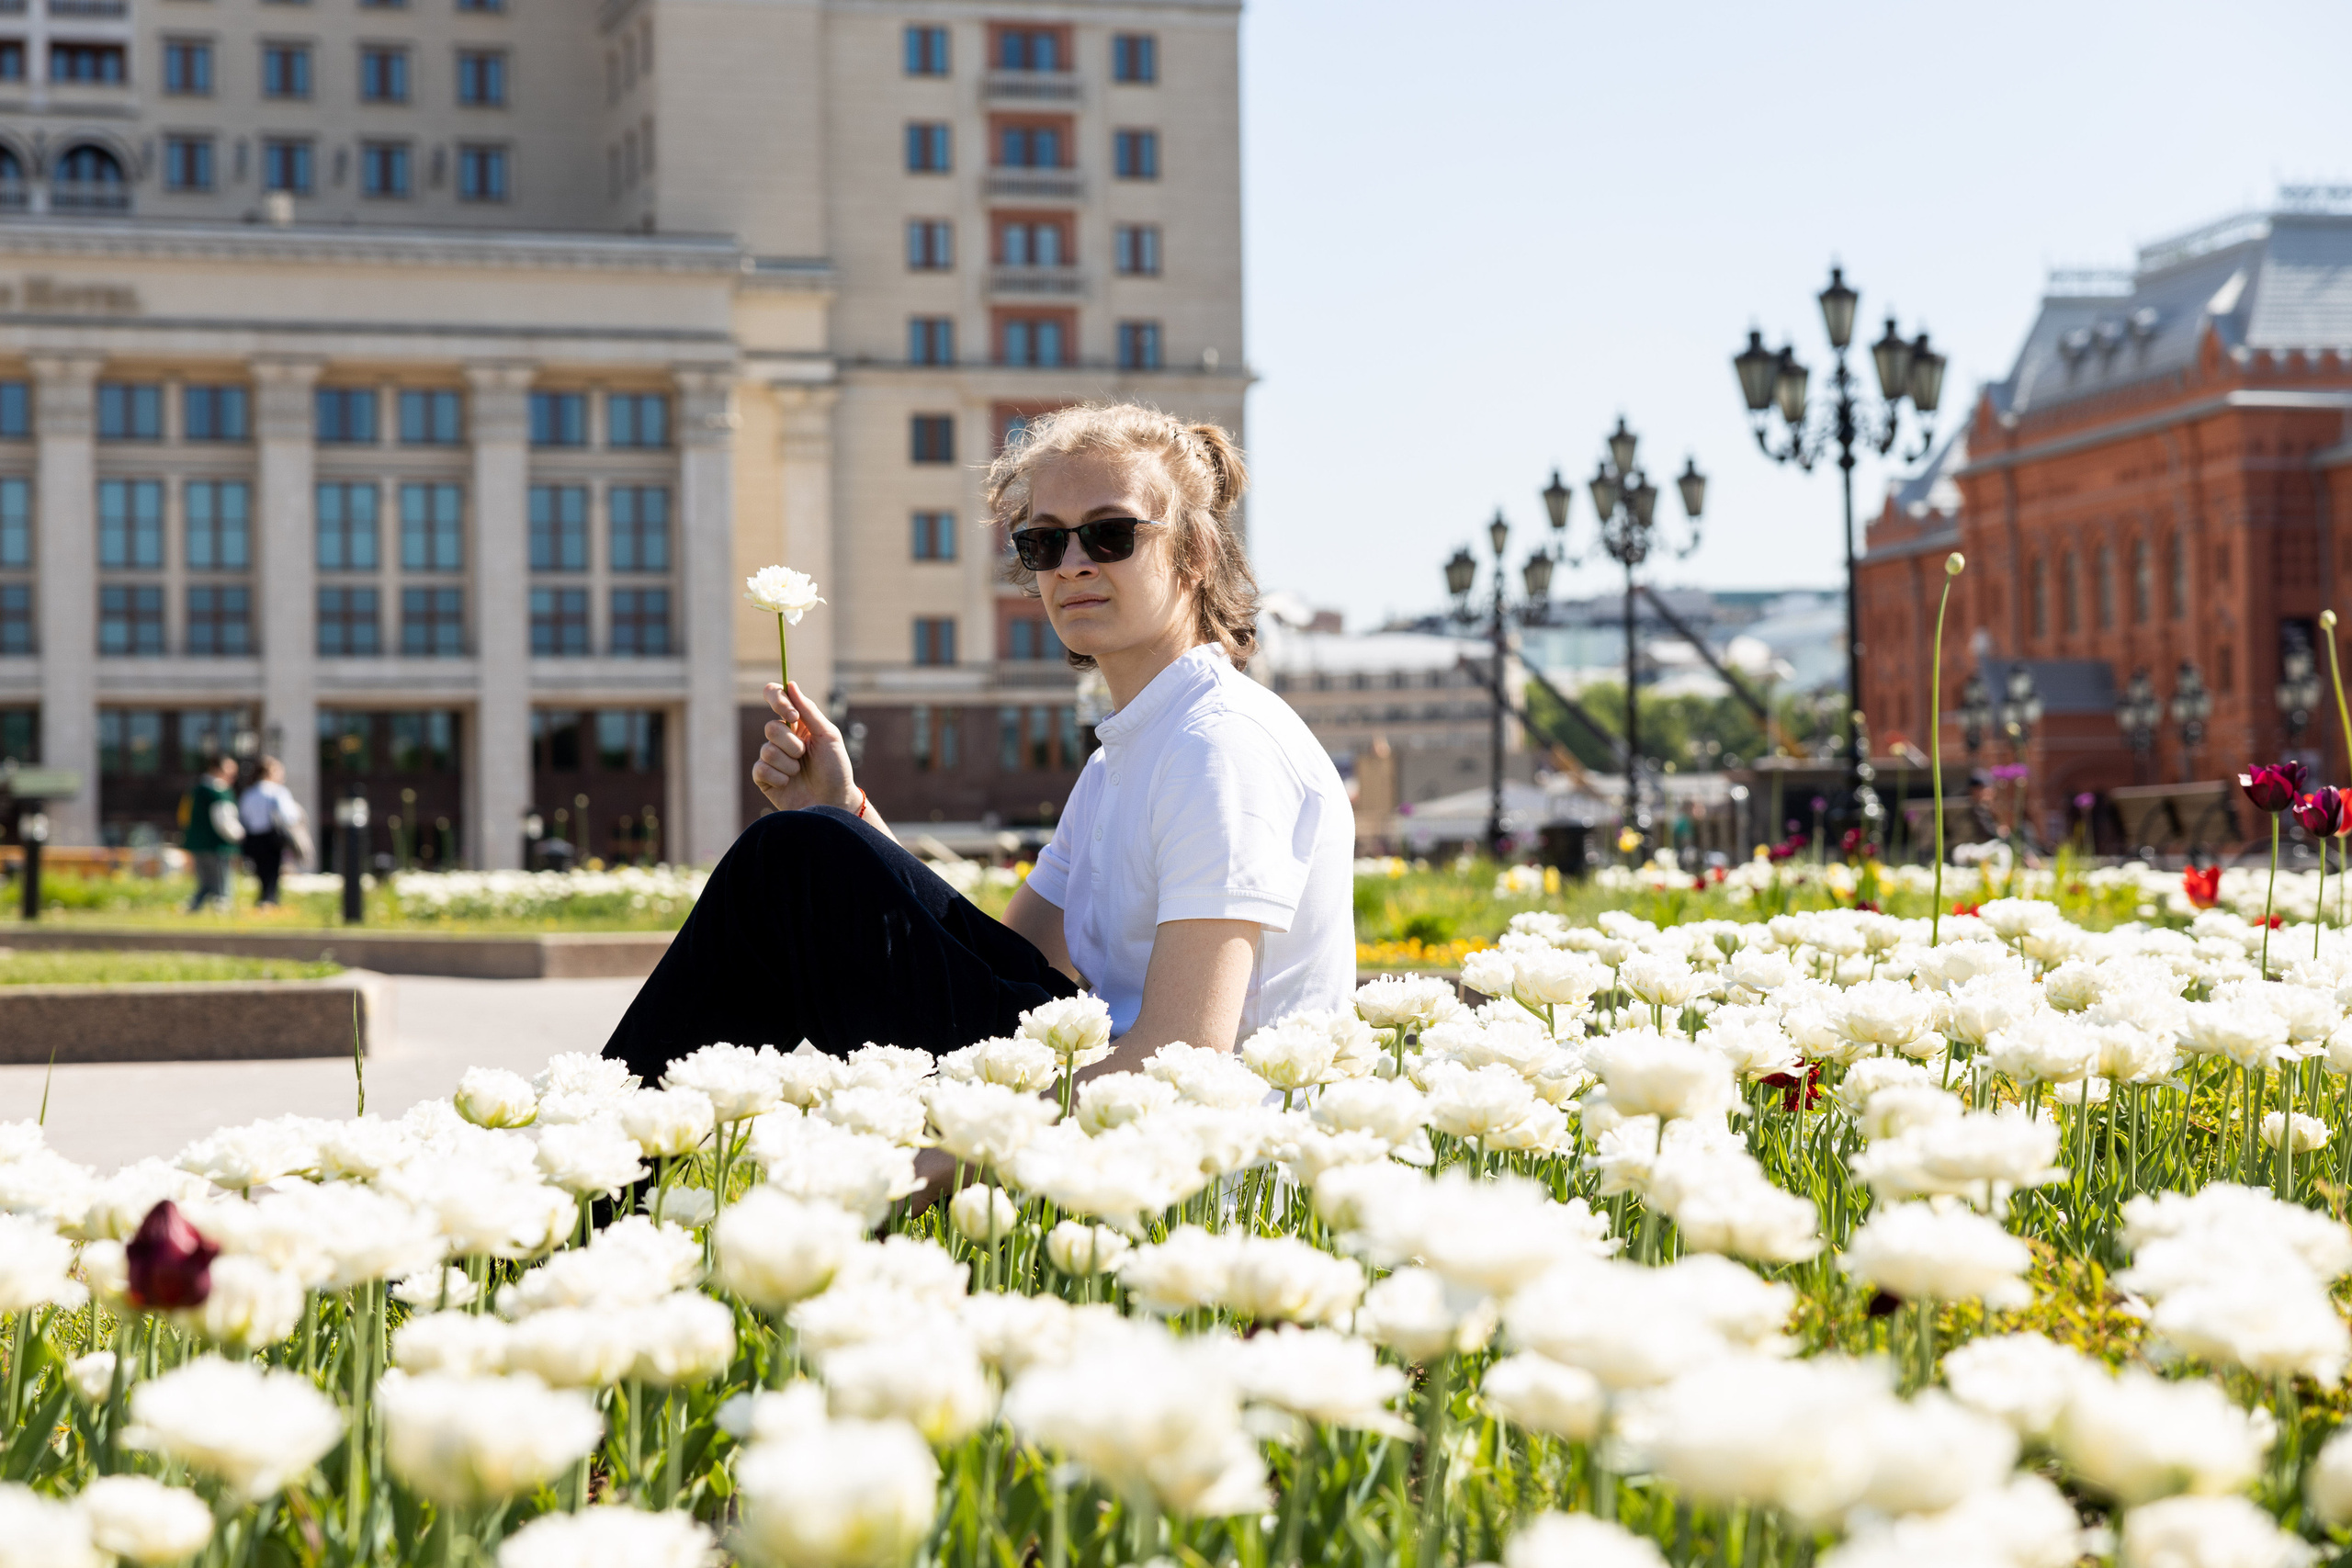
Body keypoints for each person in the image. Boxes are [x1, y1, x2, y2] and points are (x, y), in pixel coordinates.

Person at [605, 402, 1356, 1084]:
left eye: (1111, 533)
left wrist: (952, 1151)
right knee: (803, 854)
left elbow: (1186, 1054)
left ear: (1194, 554)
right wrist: (846, 808)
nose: (1073, 564)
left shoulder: (1218, 746)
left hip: (1180, 1145)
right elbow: (984, 958)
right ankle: (609, 1143)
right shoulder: (1124, 757)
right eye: (1044, 542)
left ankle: (601, 1152)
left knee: (792, 863)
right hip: (1098, 1079)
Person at [237, 755, 310, 908]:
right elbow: (288, 816)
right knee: (272, 873)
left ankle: (264, 900)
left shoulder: (249, 793)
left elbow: (243, 816)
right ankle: (269, 902)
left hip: (253, 838)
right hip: (270, 837)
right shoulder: (277, 791)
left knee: (261, 873)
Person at [183, 754, 243, 912]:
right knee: (222, 881)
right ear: (217, 769)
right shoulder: (219, 792)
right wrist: (239, 835)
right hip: (217, 844)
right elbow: (224, 821)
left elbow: (185, 816)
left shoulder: (196, 789)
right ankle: (222, 908)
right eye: (230, 772)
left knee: (205, 881)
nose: (233, 776)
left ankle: (194, 906)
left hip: (197, 842)